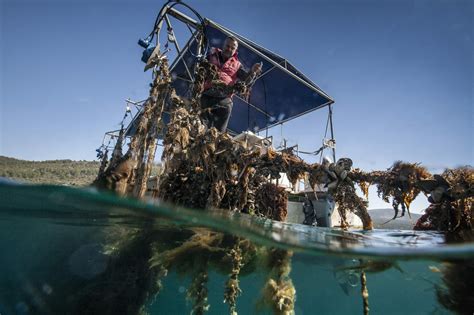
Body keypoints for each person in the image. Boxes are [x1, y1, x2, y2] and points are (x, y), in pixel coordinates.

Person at [200, 36, 262, 132]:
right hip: (207, 95)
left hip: (224, 99)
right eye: (227, 46)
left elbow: (246, 81)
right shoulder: (211, 55)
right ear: (223, 45)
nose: (229, 49)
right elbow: (200, 69)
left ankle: (218, 142)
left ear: (235, 50)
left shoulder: (237, 65)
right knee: (201, 127)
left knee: (219, 133)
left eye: (232, 48)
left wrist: (253, 72)